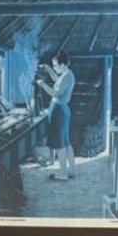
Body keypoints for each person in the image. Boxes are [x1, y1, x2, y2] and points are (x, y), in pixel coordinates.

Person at [49, 51, 75, 181]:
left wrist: (42, 85)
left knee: (60, 145)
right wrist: (48, 69)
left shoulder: (66, 77)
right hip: (63, 110)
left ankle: (63, 174)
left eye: (55, 65)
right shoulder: (67, 74)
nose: (54, 67)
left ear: (63, 64)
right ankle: (72, 171)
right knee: (66, 143)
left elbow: (55, 92)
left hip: (59, 111)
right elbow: (56, 79)